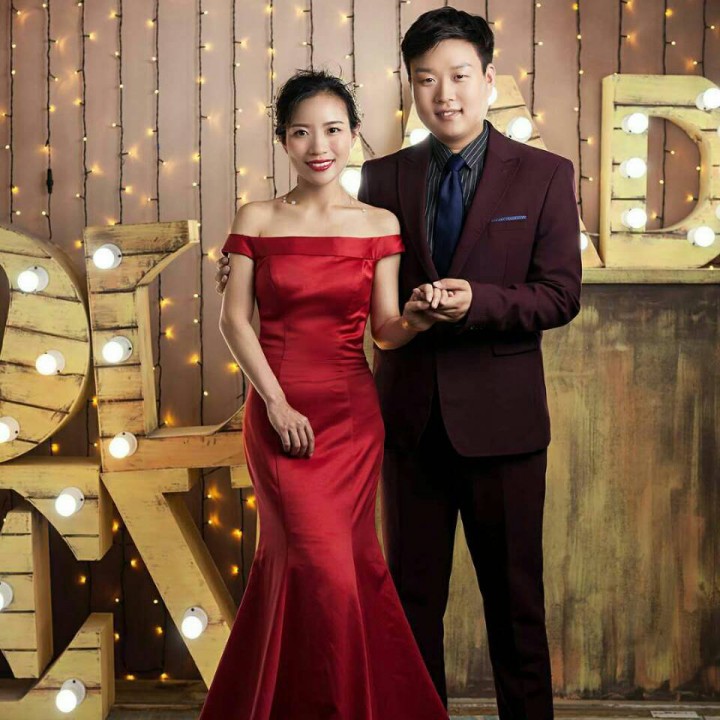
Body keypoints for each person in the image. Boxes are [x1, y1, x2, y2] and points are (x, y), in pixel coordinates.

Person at [217, 7, 582, 719]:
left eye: (459, 76)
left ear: (488, 80)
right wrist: (244, 269)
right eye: (426, 79)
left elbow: (561, 294)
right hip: (405, 422)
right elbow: (339, 275)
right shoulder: (381, 180)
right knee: (408, 605)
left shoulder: (543, 175)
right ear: (410, 87)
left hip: (502, 425)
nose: (444, 94)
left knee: (517, 608)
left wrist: (477, 300)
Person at [199, 69, 449, 720]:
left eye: (333, 130)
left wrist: (418, 317)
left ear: (354, 135)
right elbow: (234, 321)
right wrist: (275, 402)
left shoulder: (379, 224)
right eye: (301, 132)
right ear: (283, 141)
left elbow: (384, 331)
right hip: (279, 411)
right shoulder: (256, 217)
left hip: (352, 418)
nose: (319, 146)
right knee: (310, 563)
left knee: (346, 566)